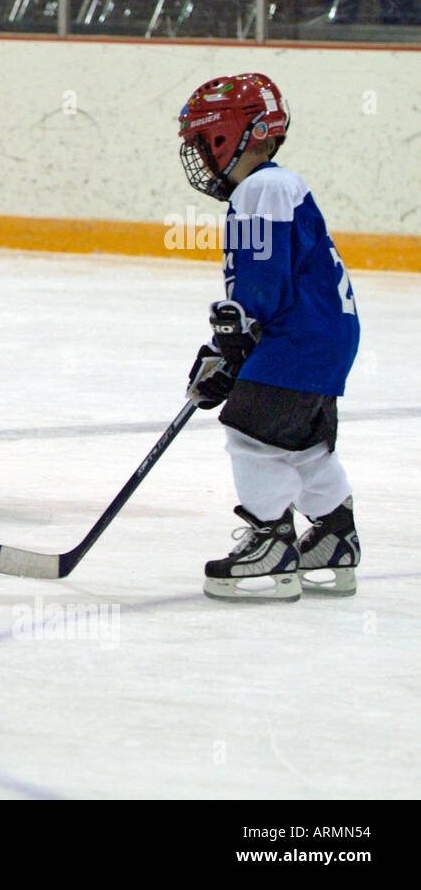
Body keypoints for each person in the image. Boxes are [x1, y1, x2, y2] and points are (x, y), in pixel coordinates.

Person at [179, 73, 361, 602]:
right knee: (299, 442)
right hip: (320, 334)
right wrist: (227, 348)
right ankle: (334, 535)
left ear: (231, 134)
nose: (200, 155)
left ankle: (270, 541)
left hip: (297, 336)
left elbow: (261, 281)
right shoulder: (276, 185)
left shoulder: (262, 188)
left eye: (201, 141)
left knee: (251, 432)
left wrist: (230, 347)